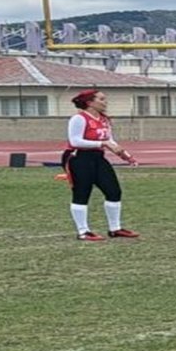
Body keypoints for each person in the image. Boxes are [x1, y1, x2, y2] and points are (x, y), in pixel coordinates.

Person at [62, 89, 140, 241]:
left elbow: (110, 141)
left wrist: (126, 156)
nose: (105, 102)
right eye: (102, 99)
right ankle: (83, 231)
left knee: (113, 191)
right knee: (81, 193)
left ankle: (115, 228)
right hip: (78, 157)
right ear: (90, 102)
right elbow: (75, 141)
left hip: (97, 157)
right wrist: (102, 143)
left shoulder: (104, 119)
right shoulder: (79, 119)